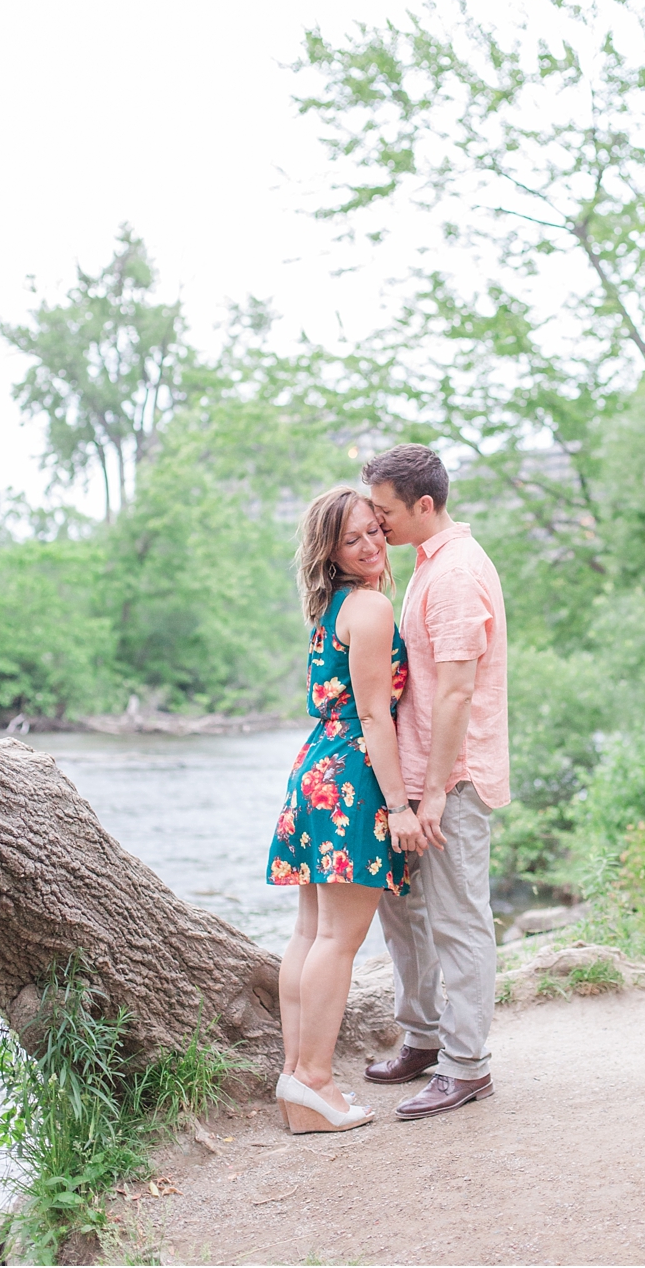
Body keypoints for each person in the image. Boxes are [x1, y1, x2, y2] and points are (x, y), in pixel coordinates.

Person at [358, 443, 511, 1120]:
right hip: (417, 777)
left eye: (385, 510)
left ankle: (467, 1064)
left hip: (451, 777)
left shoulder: (454, 575)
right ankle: (422, 1038)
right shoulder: (428, 564)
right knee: (406, 914)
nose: (376, 522)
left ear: (424, 504)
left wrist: (439, 790)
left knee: (457, 919)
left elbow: (455, 693)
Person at [268, 486, 422, 1134]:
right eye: (352, 538)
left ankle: (296, 1079)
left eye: (373, 531)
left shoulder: (332, 606)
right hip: (353, 777)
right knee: (337, 937)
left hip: (315, 771)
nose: (370, 545)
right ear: (330, 549)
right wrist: (401, 806)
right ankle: (315, 1080)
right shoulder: (371, 604)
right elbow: (373, 714)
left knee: (310, 932)